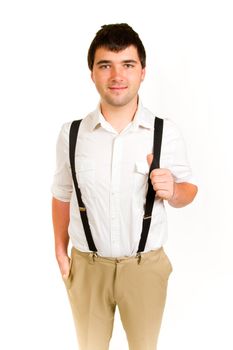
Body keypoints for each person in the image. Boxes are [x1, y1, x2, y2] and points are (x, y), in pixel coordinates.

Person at [51, 23, 198, 350]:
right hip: (87, 268)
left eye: (127, 65)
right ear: (92, 73)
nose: (117, 75)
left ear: (142, 72)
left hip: (145, 268)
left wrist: (173, 190)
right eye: (106, 65)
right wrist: (60, 251)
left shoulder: (164, 132)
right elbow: (62, 193)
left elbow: (189, 190)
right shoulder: (72, 134)